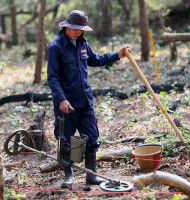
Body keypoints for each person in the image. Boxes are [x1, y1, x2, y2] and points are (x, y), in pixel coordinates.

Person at [47, 10, 130, 188]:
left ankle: (91, 176)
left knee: (92, 138)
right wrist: (61, 99)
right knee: (65, 141)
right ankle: (68, 176)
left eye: (81, 29)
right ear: (67, 26)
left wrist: (118, 55)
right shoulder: (56, 47)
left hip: (85, 101)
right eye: (75, 29)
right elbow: (52, 77)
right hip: (66, 104)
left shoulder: (83, 43)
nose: (78, 32)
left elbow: (95, 59)